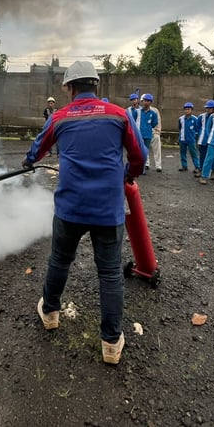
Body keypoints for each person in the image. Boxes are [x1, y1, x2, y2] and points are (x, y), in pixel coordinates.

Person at [22, 61, 147, 365]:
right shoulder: (119, 114)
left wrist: (28, 162)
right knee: (109, 273)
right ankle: (111, 343)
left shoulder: (60, 117)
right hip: (108, 209)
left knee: (60, 260)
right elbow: (139, 156)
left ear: (69, 88)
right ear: (96, 85)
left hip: (70, 209)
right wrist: (128, 175)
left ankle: (51, 313)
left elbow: (38, 150)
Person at [138, 93, 160, 173]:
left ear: (151, 102)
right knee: (137, 151)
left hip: (147, 135)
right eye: (145, 101)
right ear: (142, 101)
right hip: (138, 134)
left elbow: (154, 124)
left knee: (145, 151)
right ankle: (137, 167)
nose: (146, 102)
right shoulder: (138, 111)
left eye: (148, 101)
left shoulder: (153, 113)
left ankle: (143, 167)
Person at [177, 102, 200, 173]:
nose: (187, 110)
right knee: (182, 153)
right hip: (182, 139)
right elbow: (180, 128)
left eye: (189, 109)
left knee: (194, 153)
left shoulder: (195, 119)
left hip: (191, 139)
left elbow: (197, 129)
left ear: (191, 110)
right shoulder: (181, 119)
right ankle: (184, 166)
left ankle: (197, 167)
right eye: (186, 109)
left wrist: (196, 139)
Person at [197, 100, 214, 178]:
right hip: (202, 139)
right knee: (202, 155)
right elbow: (197, 127)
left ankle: (213, 171)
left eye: (210, 108)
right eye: (207, 108)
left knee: (213, 157)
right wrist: (200, 135)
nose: (208, 109)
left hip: (212, 140)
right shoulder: (201, 116)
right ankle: (201, 169)